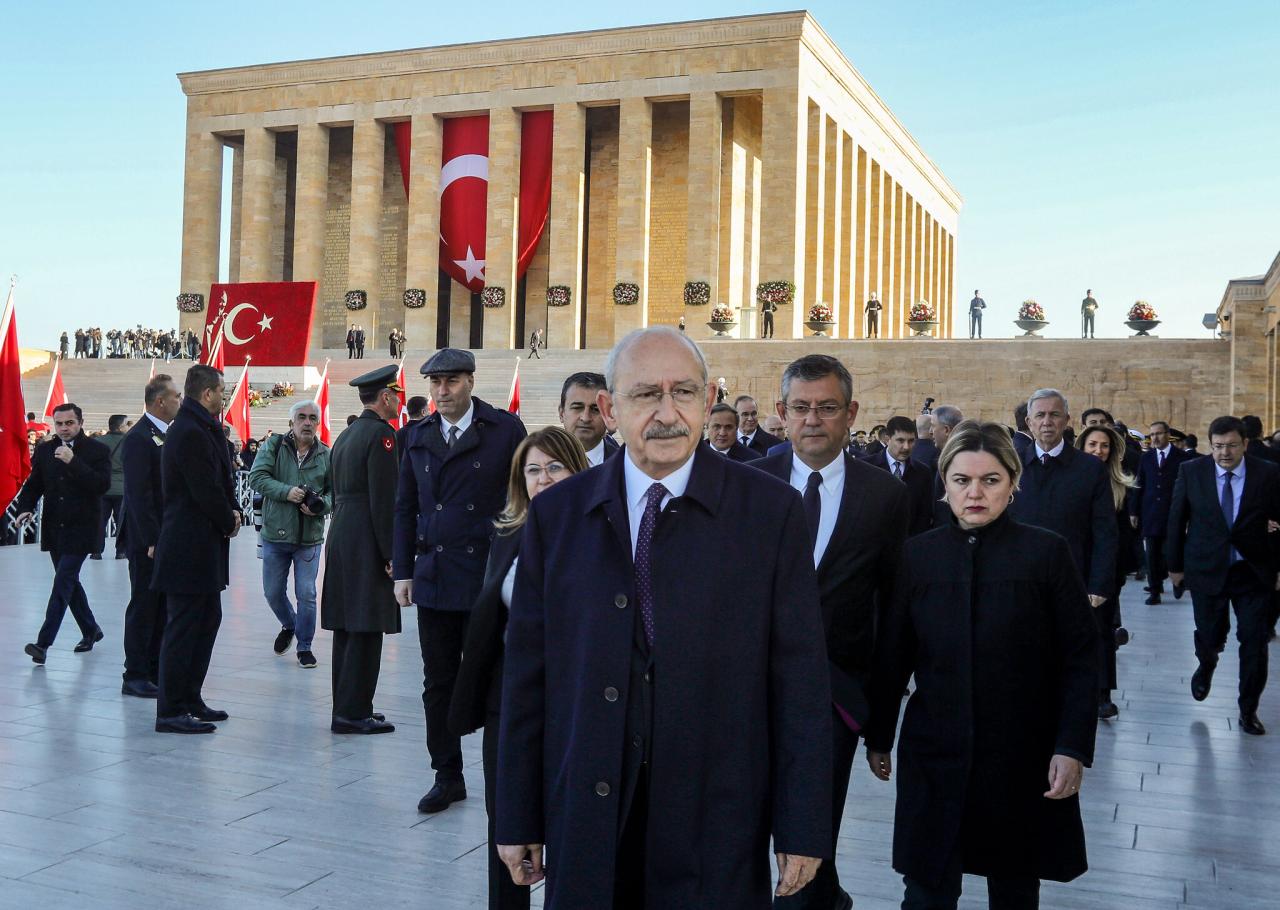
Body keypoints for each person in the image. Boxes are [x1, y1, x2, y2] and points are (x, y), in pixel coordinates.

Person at [496, 327, 831, 909]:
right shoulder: (558, 515)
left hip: (716, 819)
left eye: (684, 392)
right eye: (646, 394)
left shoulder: (770, 511)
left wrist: (801, 824)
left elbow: (800, 677)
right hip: (590, 812)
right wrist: (517, 811)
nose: (667, 413)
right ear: (609, 408)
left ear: (708, 399)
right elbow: (528, 675)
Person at [866, 420, 1098, 910]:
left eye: (990, 480)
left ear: (1012, 484)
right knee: (926, 889)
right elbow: (894, 654)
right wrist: (880, 735)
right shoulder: (917, 556)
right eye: (961, 480)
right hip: (935, 753)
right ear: (944, 484)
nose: (975, 493)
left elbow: (1080, 657)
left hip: (1020, 756)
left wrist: (1072, 746)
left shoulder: (1046, 553)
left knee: (1014, 887)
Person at [753, 353, 908, 910]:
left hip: (835, 696)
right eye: (801, 407)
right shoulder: (749, 483)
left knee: (813, 824)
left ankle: (814, 897)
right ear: (781, 412)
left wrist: (881, 724)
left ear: (851, 414)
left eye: (827, 408)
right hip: (750, 692)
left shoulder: (885, 495)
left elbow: (894, 612)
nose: (813, 419)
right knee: (751, 825)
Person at [450, 426, 588, 910]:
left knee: (573, 827)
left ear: (578, 471)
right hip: (508, 701)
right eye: (533, 470)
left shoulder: (603, 537)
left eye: (555, 467)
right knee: (507, 827)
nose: (544, 479)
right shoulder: (508, 534)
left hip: (577, 701)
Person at [394, 348, 527, 814]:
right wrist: (403, 571)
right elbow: (404, 506)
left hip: (490, 577)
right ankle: (446, 774)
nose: (442, 391)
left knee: (498, 678)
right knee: (439, 682)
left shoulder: (504, 429)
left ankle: (503, 771)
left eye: (451, 381)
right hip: (435, 573)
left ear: (470, 381)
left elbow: (522, 497)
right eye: (435, 383)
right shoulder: (416, 435)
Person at [1167, 415, 1280, 736]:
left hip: (1253, 571)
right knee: (1210, 634)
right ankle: (1206, 664)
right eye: (1217, 447)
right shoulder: (1192, 472)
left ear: (1245, 444)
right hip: (1206, 568)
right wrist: (1174, 568)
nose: (1224, 453)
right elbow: (1176, 520)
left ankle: (1248, 710)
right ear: (1209, 445)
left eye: (1231, 446)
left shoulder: (1268, 474)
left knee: (1254, 640)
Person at [152, 365, 241, 734]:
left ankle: (190, 697)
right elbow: (204, 489)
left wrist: (230, 513)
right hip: (188, 548)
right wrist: (229, 519)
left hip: (203, 547)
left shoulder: (202, 427)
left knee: (206, 622)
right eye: (222, 390)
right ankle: (171, 709)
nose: (225, 396)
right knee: (184, 628)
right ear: (207, 394)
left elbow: (221, 479)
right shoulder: (189, 431)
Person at [323, 366, 404, 734]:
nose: (399, 401)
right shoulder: (383, 436)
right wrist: (392, 554)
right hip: (367, 537)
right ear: (385, 397)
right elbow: (384, 499)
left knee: (347, 627)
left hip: (343, 532)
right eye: (396, 395)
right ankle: (353, 714)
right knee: (366, 625)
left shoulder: (348, 434)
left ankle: (351, 704)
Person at [15, 403, 111, 665]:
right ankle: (90, 629)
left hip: (83, 528)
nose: (64, 429)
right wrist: (25, 508)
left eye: (69, 423)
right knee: (68, 583)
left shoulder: (97, 450)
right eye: (59, 424)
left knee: (63, 582)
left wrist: (74, 462)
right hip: (55, 528)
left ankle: (43, 643)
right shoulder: (46, 449)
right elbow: (35, 484)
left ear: (80, 422)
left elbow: (101, 485)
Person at [1009, 389, 1117, 620]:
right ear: (1029, 422)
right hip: (1020, 580)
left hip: (1073, 579)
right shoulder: (1011, 466)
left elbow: (1105, 530)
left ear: (1067, 420)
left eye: (1054, 414)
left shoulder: (1090, 468)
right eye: (1040, 415)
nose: (1047, 422)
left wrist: (1099, 584)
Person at [249, 399, 332, 669]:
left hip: (309, 537)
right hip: (276, 534)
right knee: (272, 593)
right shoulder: (273, 446)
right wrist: (286, 491)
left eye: (312, 418)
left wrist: (322, 506)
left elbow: (336, 492)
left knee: (307, 593)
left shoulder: (326, 454)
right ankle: (289, 624)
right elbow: (256, 477)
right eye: (302, 417)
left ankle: (304, 646)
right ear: (291, 423)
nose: (307, 422)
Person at [119, 374, 182, 697]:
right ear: (160, 401)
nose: (179, 401)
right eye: (175, 396)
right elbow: (139, 497)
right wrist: (153, 540)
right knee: (144, 605)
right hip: (147, 541)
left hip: (164, 537)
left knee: (160, 606)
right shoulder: (139, 438)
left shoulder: (164, 434)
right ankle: (135, 673)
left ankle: (155, 668)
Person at [1078, 425, 1138, 719]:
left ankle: (1103, 694)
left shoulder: (1119, 483)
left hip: (1104, 570)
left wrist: (1115, 573)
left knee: (1102, 632)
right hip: (1074, 565)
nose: (1098, 451)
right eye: (1092, 445)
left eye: (1104, 446)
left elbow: (1122, 534)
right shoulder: (1071, 479)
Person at [1130, 421, 1191, 605]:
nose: (1154, 438)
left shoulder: (1181, 457)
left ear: (1168, 434)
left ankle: (1178, 580)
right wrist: (1134, 511)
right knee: (1152, 555)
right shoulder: (1146, 458)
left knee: (1173, 551)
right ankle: (1155, 590)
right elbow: (1139, 484)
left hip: (1174, 514)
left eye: (1158, 434)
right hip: (1150, 513)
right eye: (1152, 435)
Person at [866, 415, 934, 536]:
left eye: (911, 441)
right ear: (888, 439)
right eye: (900, 441)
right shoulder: (866, 467)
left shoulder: (923, 472)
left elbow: (924, 515)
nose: (906, 447)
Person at [559, 371, 618, 467]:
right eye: (577, 407)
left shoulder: (628, 466)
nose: (585, 418)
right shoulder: (535, 461)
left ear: (609, 415)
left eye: (596, 409)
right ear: (561, 413)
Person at [94, 413, 129, 560]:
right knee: (121, 522)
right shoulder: (129, 441)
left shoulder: (98, 441)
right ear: (120, 426)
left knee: (100, 521)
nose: (129, 426)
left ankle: (96, 551)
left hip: (103, 487)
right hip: (122, 488)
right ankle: (121, 551)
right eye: (127, 424)